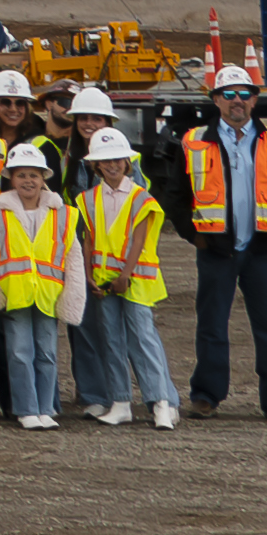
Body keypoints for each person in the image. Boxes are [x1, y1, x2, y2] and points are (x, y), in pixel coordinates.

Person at [168, 64, 267, 421]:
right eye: (228, 94)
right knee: (211, 325)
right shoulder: (194, 142)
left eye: (244, 94)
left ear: (254, 100)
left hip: (262, 251)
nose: (236, 100)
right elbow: (175, 194)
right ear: (216, 100)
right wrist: (195, 237)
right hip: (216, 251)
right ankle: (206, 395)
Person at [0, 137, 88, 431]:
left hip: (49, 295)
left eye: (34, 175)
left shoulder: (63, 214)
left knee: (47, 354)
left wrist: (72, 296)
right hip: (15, 295)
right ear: (11, 179)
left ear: (43, 178)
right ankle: (26, 409)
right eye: (21, 175)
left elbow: (73, 259)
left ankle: (45, 408)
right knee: (19, 353)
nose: (28, 181)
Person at [72, 127, 177, 430]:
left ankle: (160, 403)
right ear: (96, 165)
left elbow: (139, 240)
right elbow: (88, 240)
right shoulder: (87, 199)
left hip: (136, 280)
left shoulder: (141, 198)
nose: (112, 165)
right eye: (106, 161)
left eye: (117, 159)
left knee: (143, 340)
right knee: (112, 340)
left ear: (127, 162)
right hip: (103, 280)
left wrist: (125, 275)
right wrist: (89, 276)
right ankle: (120, 403)